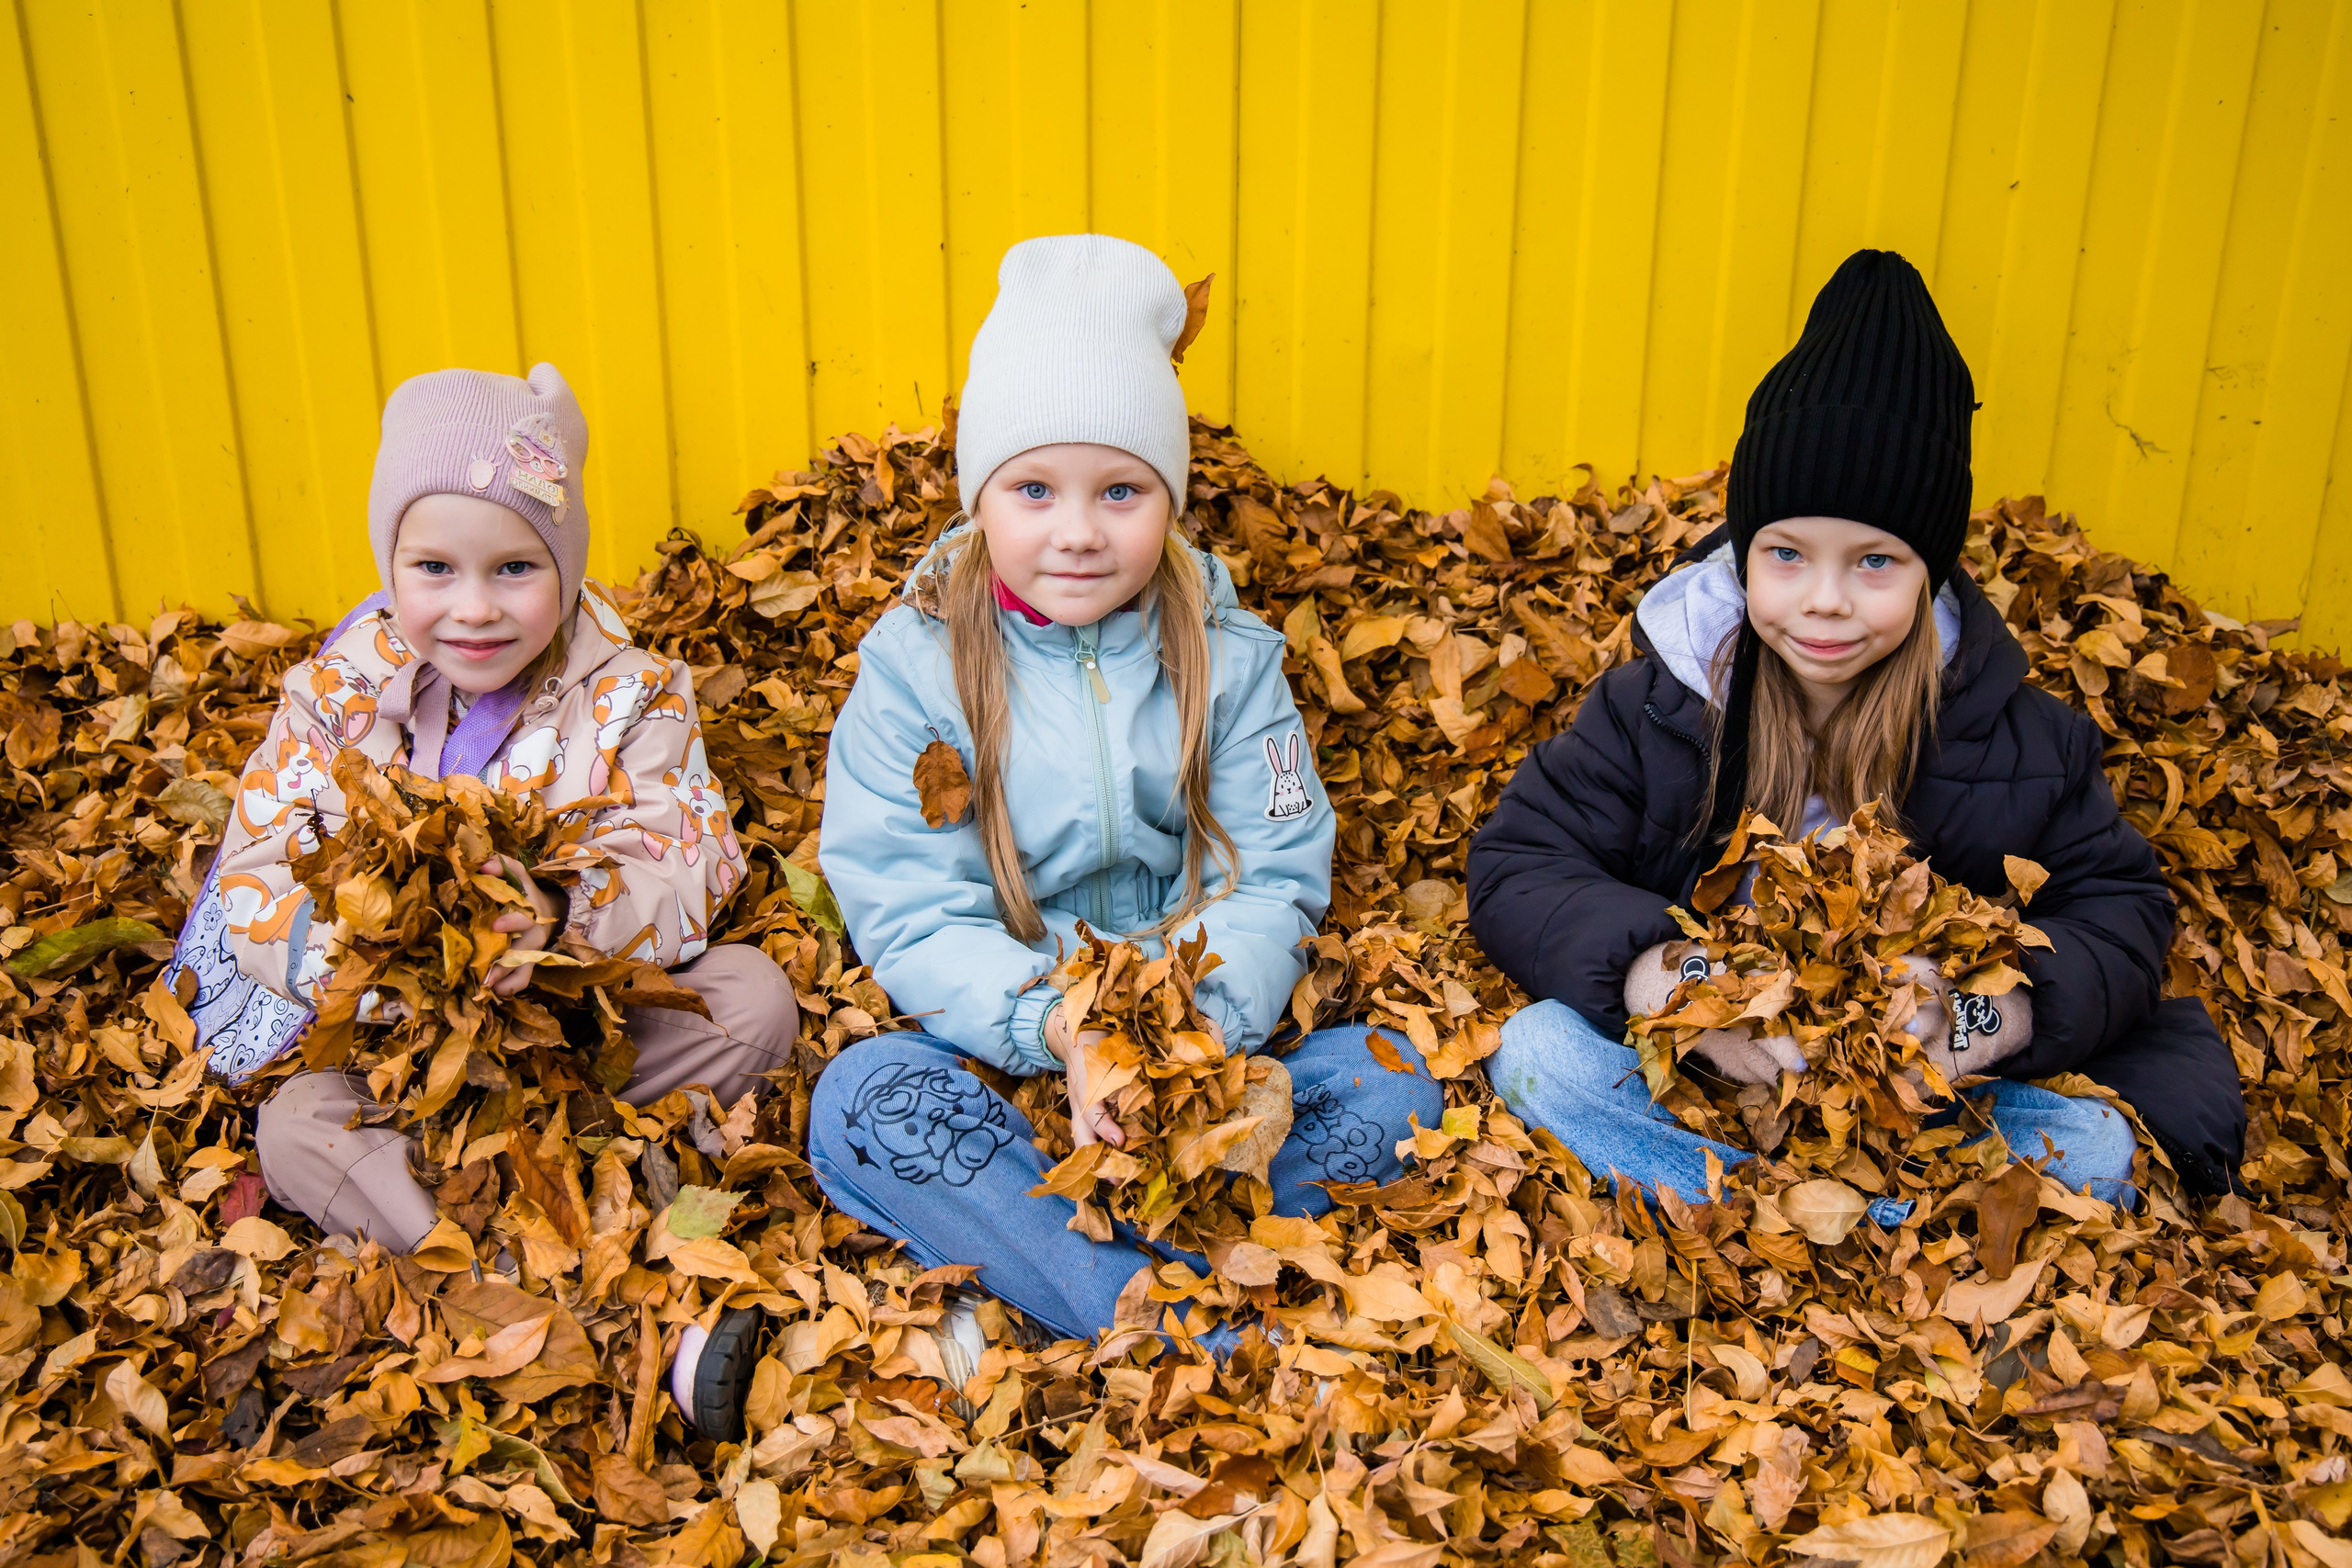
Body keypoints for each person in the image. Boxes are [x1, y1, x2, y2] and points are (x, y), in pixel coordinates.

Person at [1465, 250, 2245, 1219]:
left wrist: (1980, 1017)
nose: (1824, 602)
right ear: (1745, 556)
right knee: (1540, 1054)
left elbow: (2119, 914)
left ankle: (1815, 1212)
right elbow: (1522, 862)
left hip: (1916, 1094)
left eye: (1875, 561)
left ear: (1928, 573)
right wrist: (1677, 985)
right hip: (1708, 1069)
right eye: (1786, 555)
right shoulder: (1656, 704)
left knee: (2087, 1145)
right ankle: (1803, 1216)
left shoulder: (2024, 740)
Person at [809, 235, 1442, 1355]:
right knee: (863, 1098)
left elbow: (1276, 871)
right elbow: (909, 905)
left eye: (1120, 490)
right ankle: (1176, 1304)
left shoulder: (1233, 660)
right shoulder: (912, 674)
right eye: (1034, 488)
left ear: (1169, 498)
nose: (1078, 530)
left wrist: (1177, 1039)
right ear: (979, 497)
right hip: (1008, 1051)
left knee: (1392, 1080)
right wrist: (1063, 1030)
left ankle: (1081, 1285)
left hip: (1205, 1052)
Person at [183, 363, 796, 1433]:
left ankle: (581, 1181)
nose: (473, 608)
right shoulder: (340, 690)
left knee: (750, 998)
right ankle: (554, 1303)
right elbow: (256, 867)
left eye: (515, 567)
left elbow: (687, 851)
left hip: (572, 1031)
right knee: (296, 1131)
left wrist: (563, 917)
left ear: (563, 565)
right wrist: (370, 959)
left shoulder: (629, 691)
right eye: (434, 567)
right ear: (391, 564)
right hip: (399, 1059)